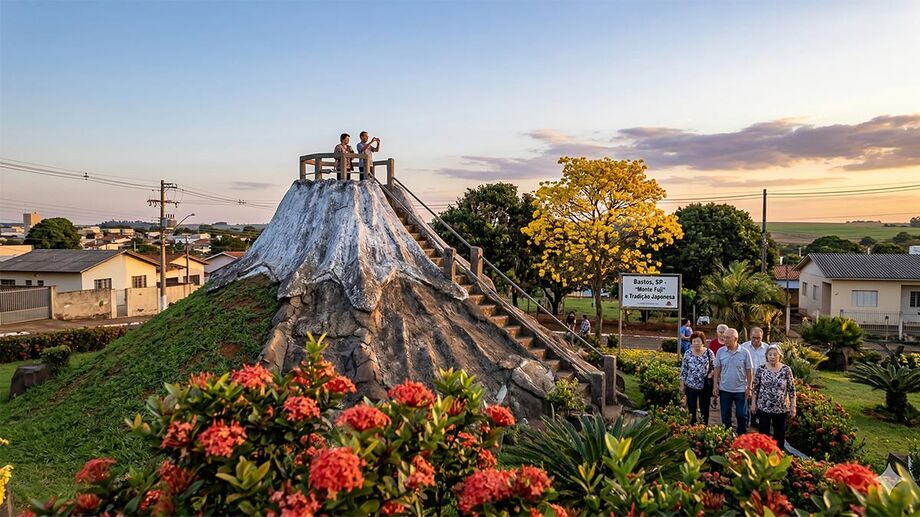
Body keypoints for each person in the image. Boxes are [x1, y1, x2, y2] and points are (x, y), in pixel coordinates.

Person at [751, 344, 796, 447]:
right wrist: (753, 403)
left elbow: (792, 389)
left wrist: (793, 406)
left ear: (780, 356)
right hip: (764, 407)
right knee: (763, 434)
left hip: (781, 408)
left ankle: (778, 454)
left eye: (775, 355)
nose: (772, 357)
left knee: (779, 435)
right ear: (766, 356)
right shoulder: (761, 369)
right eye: (770, 354)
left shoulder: (786, 370)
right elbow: (755, 388)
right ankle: (763, 454)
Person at [713, 328, 753, 434]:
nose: (725, 339)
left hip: (740, 390)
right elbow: (717, 369)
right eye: (724, 337)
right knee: (725, 416)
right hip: (724, 389)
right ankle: (728, 435)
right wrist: (715, 385)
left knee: (741, 414)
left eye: (728, 337)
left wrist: (749, 387)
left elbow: (749, 371)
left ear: (735, 339)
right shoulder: (720, 352)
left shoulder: (745, 352)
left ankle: (742, 436)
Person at [679, 331, 715, 425]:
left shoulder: (709, 353)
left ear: (703, 342)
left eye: (698, 341)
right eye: (694, 341)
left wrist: (711, 374)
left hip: (704, 386)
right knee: (691, 408)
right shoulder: (688, 353)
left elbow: (714, 367)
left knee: (704, 409)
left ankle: (704, 426)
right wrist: (682, 385)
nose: (696, 343)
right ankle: (692, 427)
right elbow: (684, 370)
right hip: (690, 385)